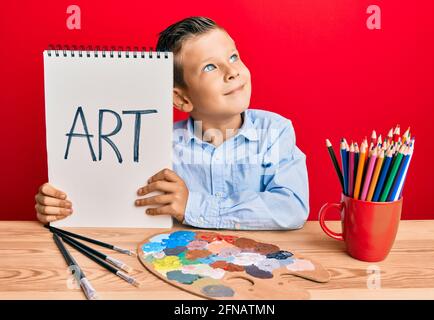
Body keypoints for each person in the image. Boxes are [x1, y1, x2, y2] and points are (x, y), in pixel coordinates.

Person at [35, 16, 309, 230]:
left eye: (233, 56)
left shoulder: (275, 132)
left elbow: (292, 208)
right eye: (210, 67)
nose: (232, 72)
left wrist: (194, 206)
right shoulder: (158, 144)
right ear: (181, 99)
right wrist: (62, 208)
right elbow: (119, 203)